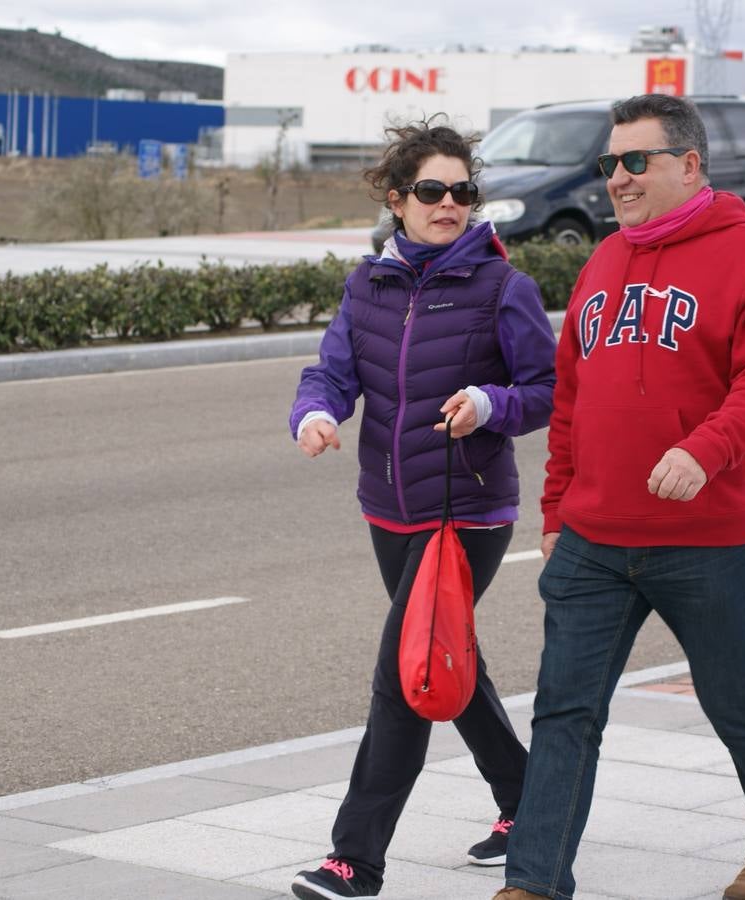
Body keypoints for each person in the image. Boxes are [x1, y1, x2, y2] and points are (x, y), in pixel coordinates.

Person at [494, 94, 745, 900]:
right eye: (610, 164)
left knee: (733, 699)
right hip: (594, 541)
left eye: (636, 161)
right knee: (564, 714)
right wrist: (557, 511)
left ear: (689, 164)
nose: (618, 179)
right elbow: (570, 400)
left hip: (704, 538)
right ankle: (532, 883)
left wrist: (704, 450)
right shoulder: (604, 261)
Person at [287, 118, 557, 900]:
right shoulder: (368, 283)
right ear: (398, 199)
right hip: (389, 506)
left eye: (463, 191)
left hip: (466, 512)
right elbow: (333, 370)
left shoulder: (503, 287)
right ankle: (529, 804)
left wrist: (490, 401)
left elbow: (547, 390)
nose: (450, 204)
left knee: (404, 673)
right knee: (446, 660)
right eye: (433, 191)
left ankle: (355, 860)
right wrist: (315, 413)